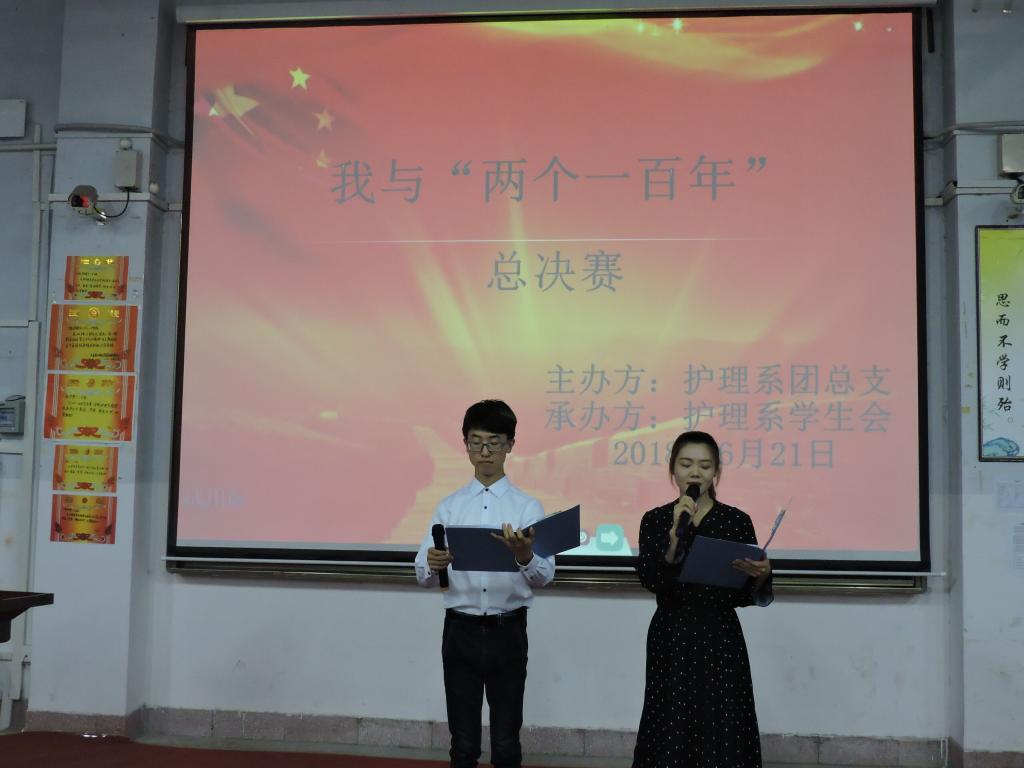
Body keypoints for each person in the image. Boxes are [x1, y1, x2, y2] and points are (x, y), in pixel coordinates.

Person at [415, 400, 555, 768]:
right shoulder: (448, 507)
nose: (485, 451)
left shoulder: (528, 508)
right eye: (476, 442)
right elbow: (421, 572)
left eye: (494, 442)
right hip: (459, 629)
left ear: (510, 445)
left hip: (509, 630)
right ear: (465, 445)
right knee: (462, 743)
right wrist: (431, 563)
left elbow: (545, 576)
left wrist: (524, 555)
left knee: (506, 742)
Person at [632, 430, 773, 768]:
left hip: (719, 635)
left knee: (723, 719)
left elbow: (745, 595)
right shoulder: (655, 520)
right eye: (686, 464)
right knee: (669, 718)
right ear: (672, 469)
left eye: (705, 466)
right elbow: (652, 581)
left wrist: (761, 575)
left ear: (716, 472)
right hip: (672, 633)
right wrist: (673, 542)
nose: (695, 473)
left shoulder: (736, 521)